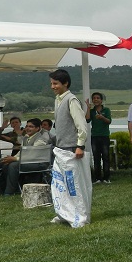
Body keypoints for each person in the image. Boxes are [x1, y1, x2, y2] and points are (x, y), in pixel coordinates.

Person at [49, 69, 91, 227]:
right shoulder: (58, 99)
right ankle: (63, 213)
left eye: (56, 83)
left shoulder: (71, 100)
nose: (53, 86)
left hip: (71, 149)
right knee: (60, 185)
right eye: (51, 83)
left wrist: (80, 146)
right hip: (60, 148)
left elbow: (82, 126)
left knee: (74, 185)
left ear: (65, 83)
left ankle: (80, 216)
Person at [0, 118, 50, 196]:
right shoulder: (26, 137)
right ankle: (5, 188)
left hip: (38, 163)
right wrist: (11, 158)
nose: (27, 128)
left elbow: (33, 155)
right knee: (5, 163)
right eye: (27, 126)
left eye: (31, 126)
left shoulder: (40, 140)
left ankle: (9, 192)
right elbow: (21, 152)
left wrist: (14, 159)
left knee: (14, 166)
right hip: (28, 161)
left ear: (37, 128)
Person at [85, 92, 112, 184]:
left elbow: (109, 121)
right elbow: (87, 120)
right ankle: (97, 178)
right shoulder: (92, 111)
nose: (96, 100)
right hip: (95, 137)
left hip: (104, 136)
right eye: (94, 98)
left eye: (98, 98)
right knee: (96, 158)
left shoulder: (106, 110)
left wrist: (102, 117)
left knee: (106, 157)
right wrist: (88, 108)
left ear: (101, 100)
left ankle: (106, 177)